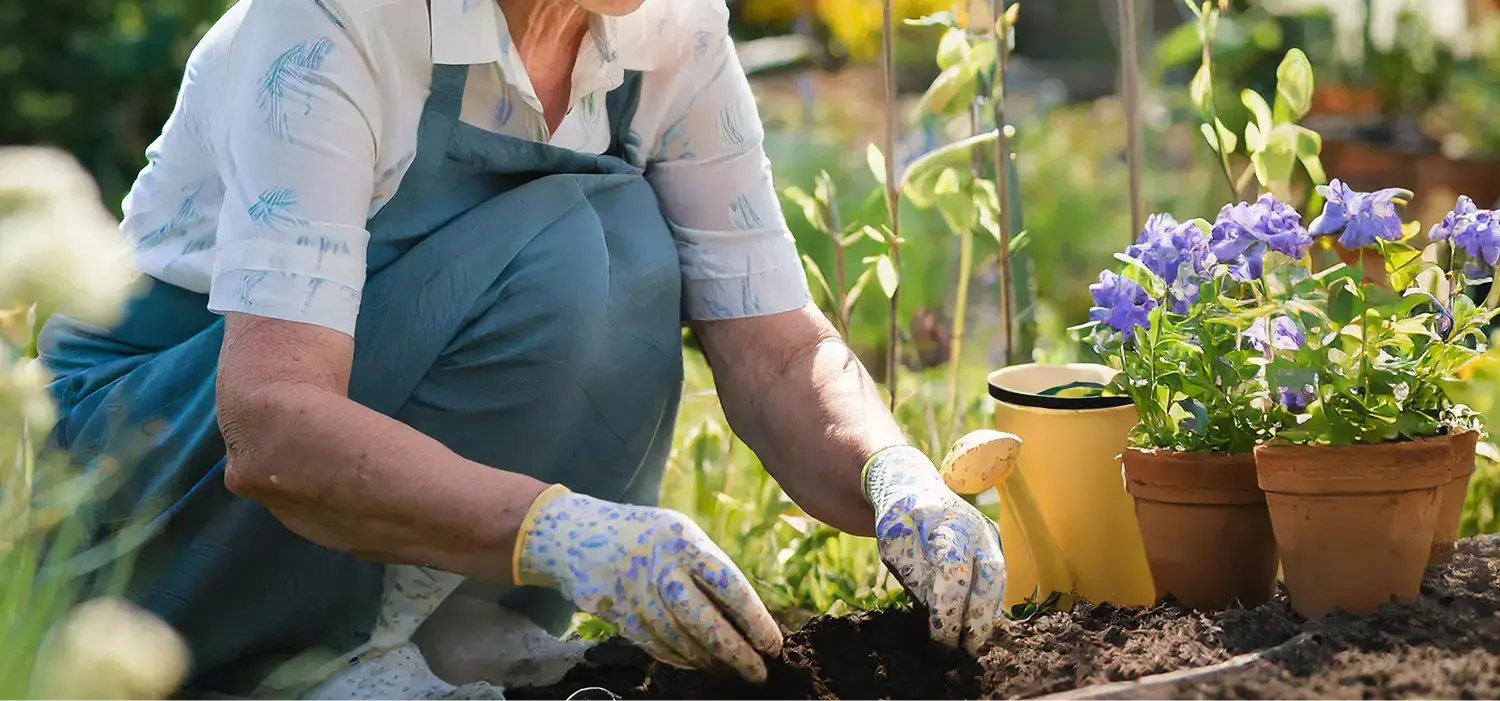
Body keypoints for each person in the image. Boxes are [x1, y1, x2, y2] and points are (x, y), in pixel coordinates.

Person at [36, 0, 1006, 697]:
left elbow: (777, 351)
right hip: (145, 480)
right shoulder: (332, 22)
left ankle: (446, 634)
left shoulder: (672, 31)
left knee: (623, 238)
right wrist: (562, 533)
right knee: (569, 245)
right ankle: (297, 656)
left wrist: (895, 476)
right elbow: (270, 420)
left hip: (346, 442)